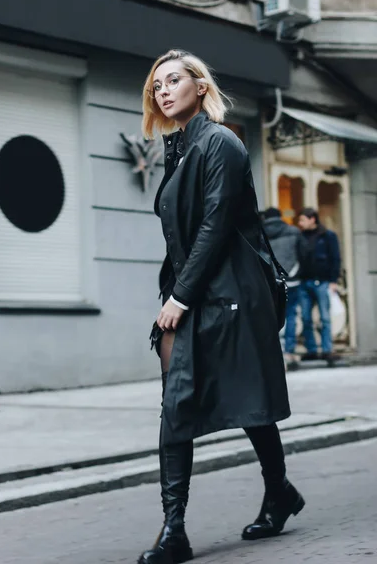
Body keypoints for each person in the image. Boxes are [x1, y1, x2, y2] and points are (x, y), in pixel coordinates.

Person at [139, 49, 305, 564]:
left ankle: (278, 491)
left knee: (249, 402)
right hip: (195, 290)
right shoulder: (180, 147)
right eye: (156, 86)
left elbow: (215, 225)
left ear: (200, 87)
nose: (163, 91)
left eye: (173, 81)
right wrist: (180, 292)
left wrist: (179, 297)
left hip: (230, 292)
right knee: (176, 405)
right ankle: (174, 530)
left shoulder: (222, 143)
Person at [297, 207, 341, 366]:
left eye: (302, 220)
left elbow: (335, 258)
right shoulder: (300, 237)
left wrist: (334, 280)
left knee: (324, 317)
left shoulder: (328, 236)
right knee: (306, 318)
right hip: (304, 282)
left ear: (312, 219)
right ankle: (311, 350)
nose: (300, 223)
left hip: (322, 282)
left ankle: (327, 350)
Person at [263, 208, 301, 371]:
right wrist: (294, 272)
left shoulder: (260, 233)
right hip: (291, 280)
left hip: (270, 282)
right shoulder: (293, 232)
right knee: (290, 315)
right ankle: (288, 350)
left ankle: (273, 351)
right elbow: (302, 255)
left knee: (269, 317)